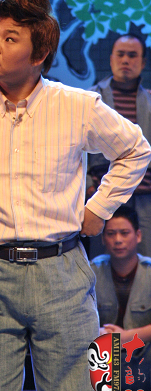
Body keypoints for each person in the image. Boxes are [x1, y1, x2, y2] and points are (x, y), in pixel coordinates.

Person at [0, 0, 151, 391]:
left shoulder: (77, 105)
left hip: (61, 271)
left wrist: (99, 209)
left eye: (9, 38)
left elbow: (136, 149)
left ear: (39, 55)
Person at [87, 33, 151, 258]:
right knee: (99, 261)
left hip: (145, 197)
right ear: (111, 58)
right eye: (120, 54)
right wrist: (88, 186)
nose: (125, 60)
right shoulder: (91, 99)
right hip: (102, 194)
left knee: (147, 260)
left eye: (132, 55)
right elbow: (76, 148)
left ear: (143, 62)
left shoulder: (150, 101)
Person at [91, 205, 151, 391]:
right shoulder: (92, 272)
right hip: (104, 361)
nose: (118, 240)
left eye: (124, 233)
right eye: (111, 234)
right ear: (102, 238)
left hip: (144, 358)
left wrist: (126, 337)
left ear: (138, 235)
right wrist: (98, 332)